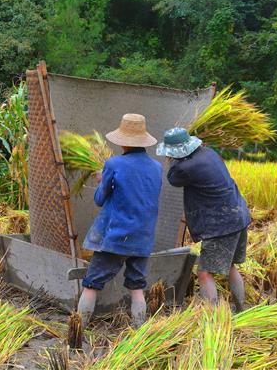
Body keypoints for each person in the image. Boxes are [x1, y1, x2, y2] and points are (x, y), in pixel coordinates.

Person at [77, 113, 163, 328]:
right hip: (143, 238)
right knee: (137, 287)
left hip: (117, 236)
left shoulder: (113, 163)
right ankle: (138, 334)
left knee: (91, 284)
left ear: (123, 141)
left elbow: (99, 199)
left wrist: (101, 180)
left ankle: (77, 333)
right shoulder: (157, 167)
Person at [156, 127, 250, 311]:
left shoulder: (185, 167)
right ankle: (241, 308)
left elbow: (173, 179)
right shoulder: (209, 153)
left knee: (204, 272)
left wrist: (174, 161)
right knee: (230, 266)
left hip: (222, 225)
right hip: (238, 216)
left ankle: (213, 319)